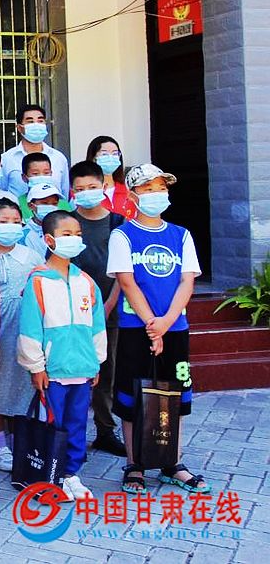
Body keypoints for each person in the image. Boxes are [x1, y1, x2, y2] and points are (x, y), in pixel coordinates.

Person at [107, 164, 207, 496]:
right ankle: (134, 463)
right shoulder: (123, 235)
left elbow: (187, 281)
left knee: (175, 392)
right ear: (133, 196)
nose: (156, 194)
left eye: (161, 187)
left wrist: (165, 323)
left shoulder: (181, 235)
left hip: (174, 327)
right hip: (137, 328)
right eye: (148, 189)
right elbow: (127, 281)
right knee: (132, 393)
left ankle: (172, 462)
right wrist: (153, 324)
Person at [17, 209, 106, 502]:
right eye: (67, 234)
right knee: (51, 424)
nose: (74, 239)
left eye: (78, 234)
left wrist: (96, 362)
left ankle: (70, 474)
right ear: (49, 240)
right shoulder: (38, 282)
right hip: (52, 371)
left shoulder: (86, 282)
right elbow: (30, 328)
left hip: (82, 368)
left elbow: (97, 326)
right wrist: (36, 366)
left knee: (77, 423)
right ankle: (49, 476)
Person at [68, 160, 128, 456]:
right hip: (70, 312)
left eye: (92, 187)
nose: (86, 193)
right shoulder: (65, 222)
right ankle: (70, 433)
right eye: (80, 189)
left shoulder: (117, 223)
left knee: (107, 370)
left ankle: (105, 430)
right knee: (71, 372)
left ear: (103, 187)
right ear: (72, 191)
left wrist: (108, 305)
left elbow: (123, 271)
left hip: (108, 309)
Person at [0, 197, 43, 472]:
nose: (11, 226)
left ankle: (21, 443)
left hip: (24, 326)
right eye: (4, 221)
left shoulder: (31, 256)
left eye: (16, 221)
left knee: (23, 386)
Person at [1, 104, 70, 197]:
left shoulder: (59, 158)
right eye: (30, 122)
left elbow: (64, 192)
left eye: (40, 121)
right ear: (20, 128)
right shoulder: (6, 159)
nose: (36, 125)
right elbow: (1, 192)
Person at [85, 135, 136, 219]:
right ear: (94, 158)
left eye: (115, 154)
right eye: (104, 154)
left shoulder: (128, 190)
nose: (110, 157)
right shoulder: (82, 190)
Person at [23, 183, 65, 251]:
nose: (50, 207)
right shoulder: (24, 234)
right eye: (45, 203)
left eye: (54, 203)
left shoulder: (63, 230)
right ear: (31, 205)